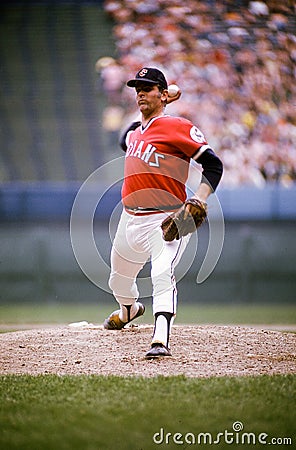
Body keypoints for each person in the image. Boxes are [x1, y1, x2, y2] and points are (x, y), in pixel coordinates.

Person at [103, 67, 223, 358]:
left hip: (165, 218)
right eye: (137, 89)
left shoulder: (177, 127)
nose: (140, 93)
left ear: (162, 93)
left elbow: (214, 165)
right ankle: (129, 310)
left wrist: (200, 199)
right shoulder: (136, 133)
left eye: (148, 88)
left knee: (161, 273)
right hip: (129, 218)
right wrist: (156, 104)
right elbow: (125, 139)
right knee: (117, 280)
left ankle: (160, 339)